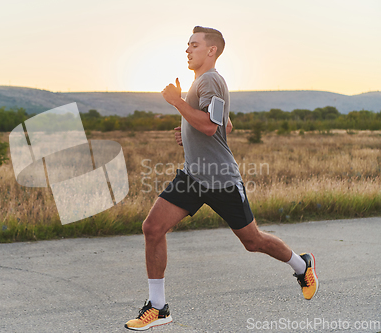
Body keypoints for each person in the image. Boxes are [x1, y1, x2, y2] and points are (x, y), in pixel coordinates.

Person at [124, 26, 318, 331]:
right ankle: (158, 308)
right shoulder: (198, 82)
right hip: (193, 177)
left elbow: (212, 127)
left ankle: (301, 264)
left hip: (221, 180)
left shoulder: (212, 79)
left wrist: (177, 103)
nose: (187, 50)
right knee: (153, 227)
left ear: (211, 50)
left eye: (194, 45)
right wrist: (188, 133)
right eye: (187, 45)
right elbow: (226, 123)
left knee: (253, 242)